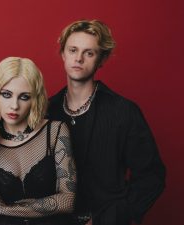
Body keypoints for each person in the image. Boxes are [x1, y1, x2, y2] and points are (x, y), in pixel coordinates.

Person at [47, 20, 166, 225]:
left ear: (101, 59)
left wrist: (110, 218)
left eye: (89, 53)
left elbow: (152, 177)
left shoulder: (124, 112)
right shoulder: (46, 111)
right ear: (63, 54)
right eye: (73, 50)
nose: (79, 58)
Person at [0, 57, 77, 225]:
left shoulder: (55, 132)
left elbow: (67, 201)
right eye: (6, 94)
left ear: (35, 99)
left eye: (24, 97)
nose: (14, 106)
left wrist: (7, 209)